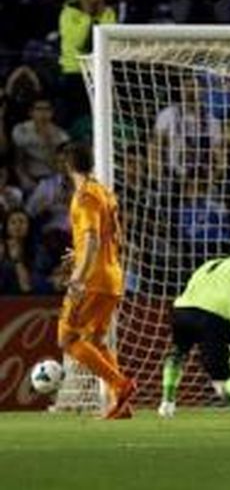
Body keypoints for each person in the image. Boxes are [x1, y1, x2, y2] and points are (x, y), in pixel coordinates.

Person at [57, 143, 136, 419]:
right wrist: (79, 254)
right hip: (113, 277)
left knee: (67, 339)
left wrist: (78, 277)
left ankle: (120, 384)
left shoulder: (85, 196)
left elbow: (91, 240)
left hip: (92, 280)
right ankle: (120, 401)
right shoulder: (105, 192)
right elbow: (119, 240)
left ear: (66, 166)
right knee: (97, 341)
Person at [158, 235, 230, 418]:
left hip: (181, 310)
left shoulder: (209, 264)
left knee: (176, 353)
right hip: (215, 317)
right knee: (221, 383)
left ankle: (167, 405)